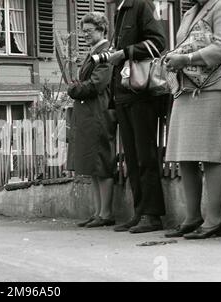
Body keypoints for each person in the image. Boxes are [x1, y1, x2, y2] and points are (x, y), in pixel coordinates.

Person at [164, 0, 221, 239]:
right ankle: (192, 216)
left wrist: (186, 59)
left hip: (210, 86)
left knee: (208, 152)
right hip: (185, 87)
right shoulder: (189, 13)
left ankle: (214, 220)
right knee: (184, 154)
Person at [106, 0, 167, 233]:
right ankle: (140, 212)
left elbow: (158, 43)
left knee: (145, 156)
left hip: (141, 93)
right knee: (131, 157)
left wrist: (124, 52)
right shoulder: (121, 10)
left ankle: (152, 216)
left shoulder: (142, 4)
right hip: (124, 93)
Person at [68, 12, 117, 228]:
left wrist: (74, 88)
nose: (85, 35)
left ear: (101, 30)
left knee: (102, 163)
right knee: (93, 166)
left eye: (89, 31)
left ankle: (106, 213)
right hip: (90, 113)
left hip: (99, 112)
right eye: (84, 31)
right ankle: (98, 212)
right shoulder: (94, 53)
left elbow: (97, 84)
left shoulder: (106, 53)